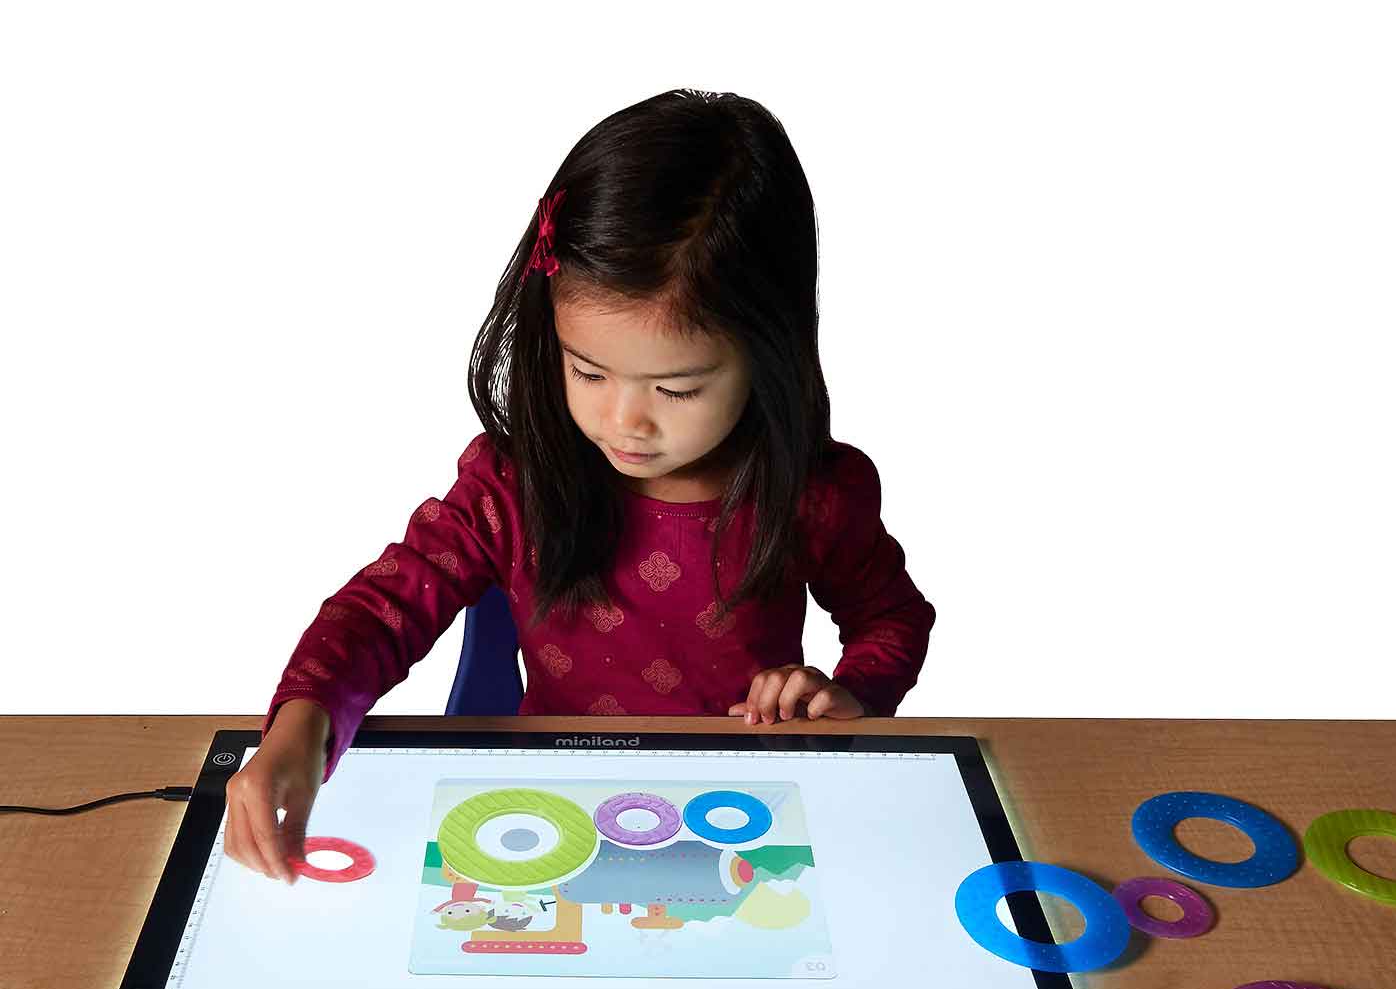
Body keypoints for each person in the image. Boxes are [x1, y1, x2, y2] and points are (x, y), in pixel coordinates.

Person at [227, 88, 937, 884]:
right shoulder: (513, 484)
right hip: (550, 806)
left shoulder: (814, 494)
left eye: (676, 390)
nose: (625, 422)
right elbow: (382, 606)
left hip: (744, 813)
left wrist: (849, 695)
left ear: (769, 356)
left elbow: (891, 618)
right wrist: (301, 725)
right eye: (588, 372)